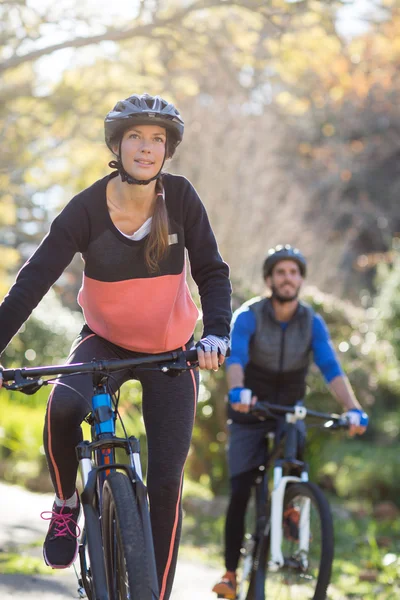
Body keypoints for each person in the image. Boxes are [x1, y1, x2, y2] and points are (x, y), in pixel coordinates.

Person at [0, 93, 231, 600]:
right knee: (63, 407)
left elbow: (213, 271)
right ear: (117, 145)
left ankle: (156, 594)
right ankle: (65, 507)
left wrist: (216, 333)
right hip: (102, 341)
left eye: (157, 140)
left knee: (168, 485)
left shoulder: (182, 198)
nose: (146, 148)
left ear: (167, 150)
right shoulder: (85, 208)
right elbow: (33, 281)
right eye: (135, 137)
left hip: (172, 352)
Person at [212, 244, 368, 599]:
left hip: (289, 409)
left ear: (301, 280)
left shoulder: (311, 322)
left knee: (295, 464)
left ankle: (293, 513)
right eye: (281, 272)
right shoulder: (250, 315)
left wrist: (353, 408)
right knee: (240, 492)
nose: (288, 278)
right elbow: (236, 357)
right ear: (269, 279)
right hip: (250, 409)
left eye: (294, 273)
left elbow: (330, 367)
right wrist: (238, 391)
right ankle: (231, 573)